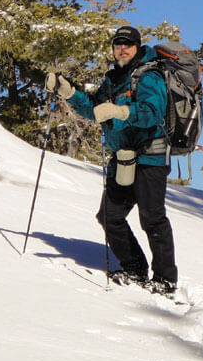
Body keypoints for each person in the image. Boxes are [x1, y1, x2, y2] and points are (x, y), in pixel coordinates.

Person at [45, 26, 177, 295]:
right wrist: (69, 92)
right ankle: (135, 269)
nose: (123, 48)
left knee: (152, 218)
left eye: (128, 44)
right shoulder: (114, 79)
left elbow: (153, 112)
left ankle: (165, 279)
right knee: (109, 215)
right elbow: (95, 110)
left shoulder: (149, 75)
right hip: (123, 158)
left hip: (150, 155)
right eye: (118, 44)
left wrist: (121, 110)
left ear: (138, 47)